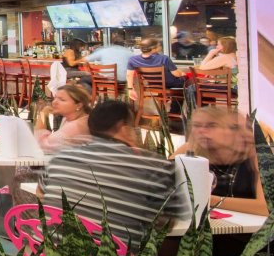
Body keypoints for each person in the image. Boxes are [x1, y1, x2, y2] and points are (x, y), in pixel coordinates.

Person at [39, 100, 189, 247]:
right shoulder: (156, 167)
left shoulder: (60, 158)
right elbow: (167, 224)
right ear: (124, 128)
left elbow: (40, 194)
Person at [172, 107, 268, 256]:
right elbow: (163, 186)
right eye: (197, 126)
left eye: (211, 125)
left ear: (231, 130)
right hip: (205, 235)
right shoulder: (189, 151)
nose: (202, 131)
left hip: (249, 239)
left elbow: (264, 207)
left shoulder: (256, 157)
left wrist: (209, 200)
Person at [33, 83, 92, 153]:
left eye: (62, 100)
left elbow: (41, 144)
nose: (54, 102)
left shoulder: (75, 126)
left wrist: (42, 115)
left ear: (79, 105)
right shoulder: (73, 118)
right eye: (55, 98)